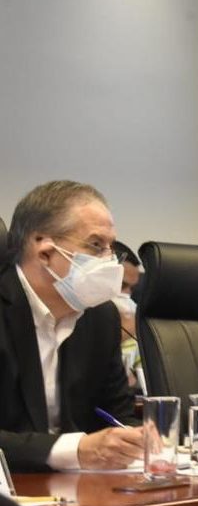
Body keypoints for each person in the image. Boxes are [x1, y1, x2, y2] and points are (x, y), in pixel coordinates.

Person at [0, 181, 143, 472]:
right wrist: (73, 449)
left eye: (111, 248)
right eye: (96, 245)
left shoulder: (100, 316)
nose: (109, 261)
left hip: (78, 485)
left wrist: (135, 439)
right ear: (44, 251)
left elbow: (118, 414)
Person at [111, 241, 145, 394]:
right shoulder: (74, 319)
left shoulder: (135, 321)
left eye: (132, 288)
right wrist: (122, 333)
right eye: (121, 285)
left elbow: (142, 381)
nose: (127, 294)